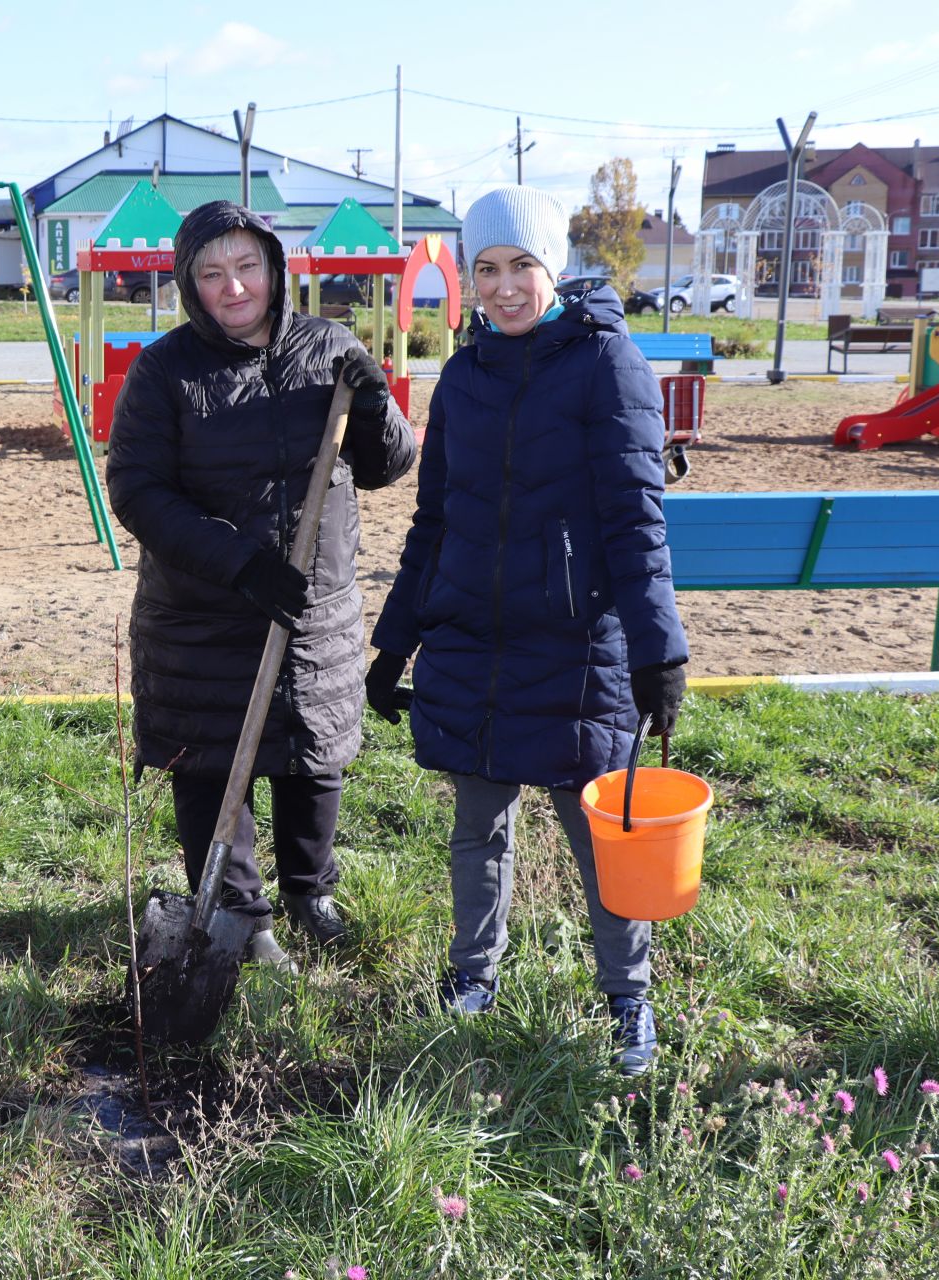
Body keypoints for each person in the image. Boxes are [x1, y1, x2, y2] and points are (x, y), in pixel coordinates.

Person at [367, 185, 688, 1075]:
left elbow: (635, 519)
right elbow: (432, 523)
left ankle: (628, 1000)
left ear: (554, 270)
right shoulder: (463, 376)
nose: (505, 287)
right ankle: (473, 976)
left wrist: (660, 651)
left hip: (578, 646)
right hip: (472, 642)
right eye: (487, 269)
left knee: (601, 840)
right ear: (467, 279)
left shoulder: (606, 362)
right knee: (478, 827)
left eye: (522, 267)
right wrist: (392, 644)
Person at [107, 200, 417, 972]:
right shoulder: (164, 371)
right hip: (205, 612)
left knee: (314, 754)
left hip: (316, 605)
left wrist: (376, 406)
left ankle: (311, 892)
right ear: (189, 284)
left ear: (274, 268)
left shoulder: (328, 349)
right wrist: (237, 560)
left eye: (246, 267)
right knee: (212, 763)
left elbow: (387, 466)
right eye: (212, 274)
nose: (234, 287)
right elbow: (139, 493)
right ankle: (243, 915)